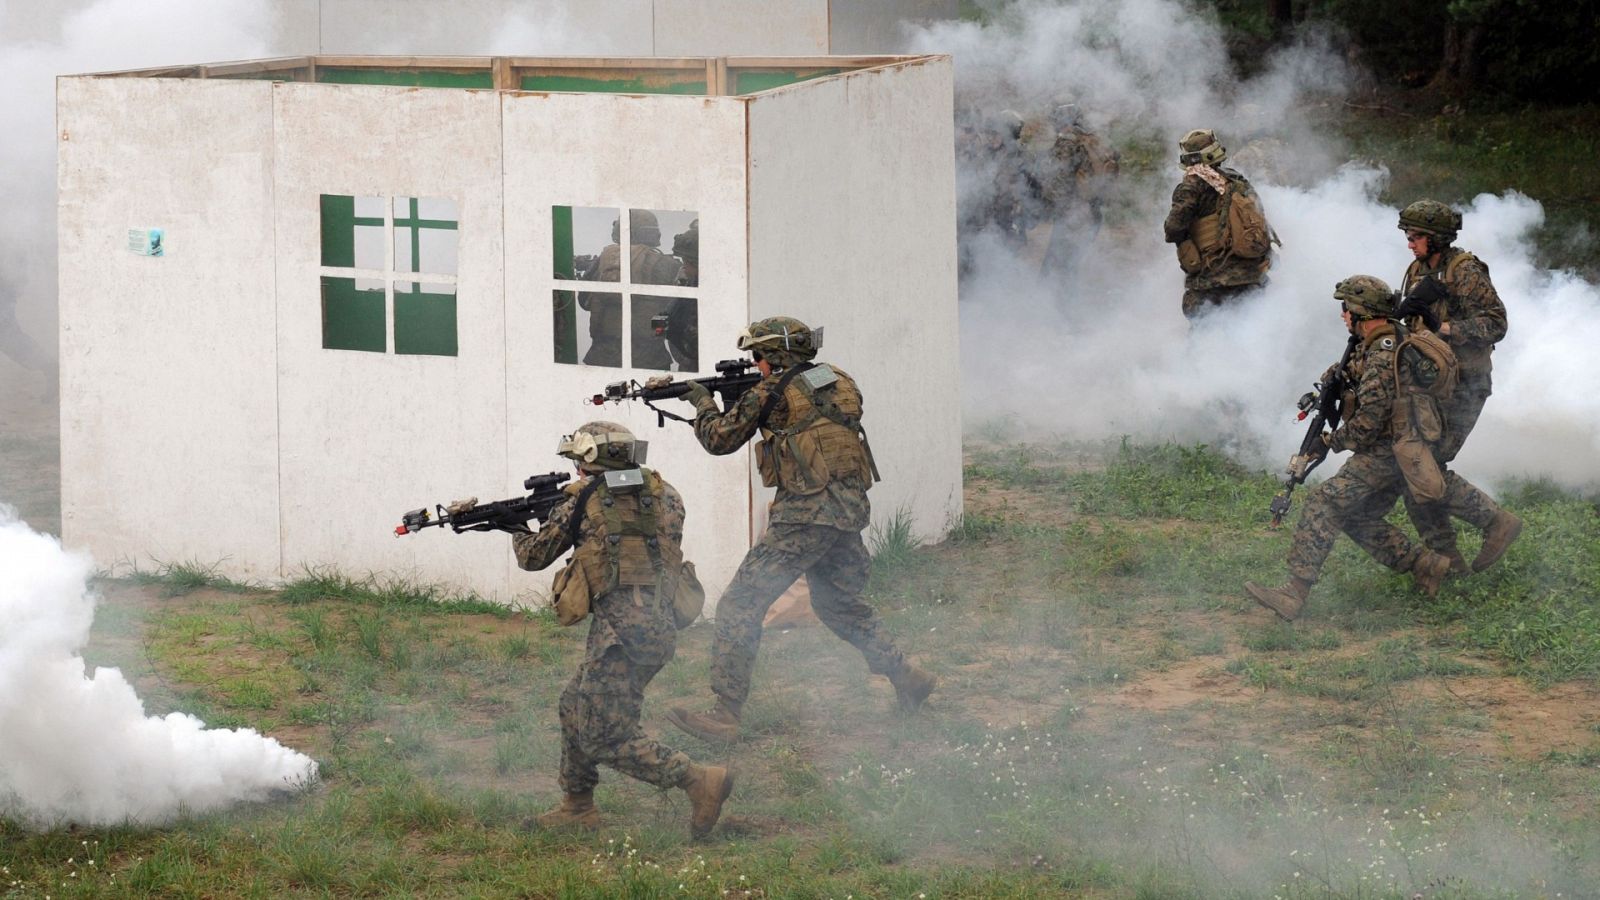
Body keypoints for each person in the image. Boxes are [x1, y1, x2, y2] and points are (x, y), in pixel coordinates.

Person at [664, 317, 937, 742]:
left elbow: (719, 439)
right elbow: (807, 415)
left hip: (804, 517)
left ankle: (725, 714)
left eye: (758, 357)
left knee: (740, 604)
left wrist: (704, 403)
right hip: (846, 511)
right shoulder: (840, 380)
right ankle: (907, 676)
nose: (755, 365)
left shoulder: (768, 392)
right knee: (838, 605)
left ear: (773, 357)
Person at [511, 421, 732, 837]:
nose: (576, 470)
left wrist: (517, 527)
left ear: (591, 462)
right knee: (573, 703)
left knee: (603, 736)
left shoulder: (581, 502)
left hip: (619, 637)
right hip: (657, 626)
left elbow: (534, 557)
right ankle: (577, 805)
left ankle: (698, 779)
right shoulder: (667, 494)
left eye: (579, 462)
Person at [1245, 276, 1456, 621]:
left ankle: (1293, 594)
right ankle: (1425, 565)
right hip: (1392, 449)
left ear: (1361, 312)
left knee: (1324, 502)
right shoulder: (1367, 344)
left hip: (1388, 451)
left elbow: (1369, 421)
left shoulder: (1382, 352)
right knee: (1354, 514)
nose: (1343, 315)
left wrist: (1330, 442)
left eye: (1346, 309)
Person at [1392, 200, 1522, 573]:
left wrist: (1445, 328)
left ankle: (1496, 523)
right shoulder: (1418, 269)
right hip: (1431, 383)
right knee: (1416, 469)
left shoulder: (1464, 272)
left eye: (1415, 236)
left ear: (1436, 238)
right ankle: (1448, 562)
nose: (1409, 243)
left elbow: (1496, 323)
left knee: (1423, 467)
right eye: (1408, 235)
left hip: (1465, 382)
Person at [1162, 128, 1273, 319]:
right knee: (1253, 336)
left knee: (1205, 341)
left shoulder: (1191, 187)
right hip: (1251, 276)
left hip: (1212, 281)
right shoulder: (1237, 181)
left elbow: (1173, 228)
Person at [579, 211, 683, 369]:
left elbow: (584, 302)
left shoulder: (603, 260)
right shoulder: (668, 264)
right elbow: (679, 310)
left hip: (601, 356)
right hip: (650, 358)